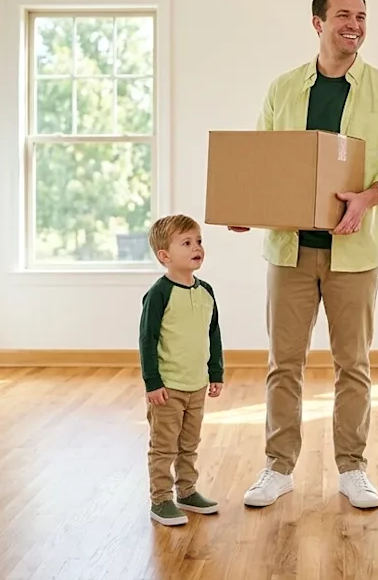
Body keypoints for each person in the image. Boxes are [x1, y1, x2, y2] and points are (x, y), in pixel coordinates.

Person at [231, 0, 378, 510]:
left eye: (360, 16)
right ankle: (278, 466)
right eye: (342, 15)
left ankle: (353, 468)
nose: (353, 25)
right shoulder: (284, 88)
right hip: (289, 250)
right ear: (318, 23)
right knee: (283, 362)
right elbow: (265, 161)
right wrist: (250, 207)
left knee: (352, 363)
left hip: (355, 252)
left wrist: (368, 198)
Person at [138, 214, 225, 526]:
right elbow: (147, 340)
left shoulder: (206, 292)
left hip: (196, 385)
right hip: (167, 389)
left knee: (189, 444)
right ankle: (160, 499)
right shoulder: (159, 294)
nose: (196, 247)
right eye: (186, 243)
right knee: (164, 447)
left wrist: (215, 373)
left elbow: (212, 334)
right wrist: (152, 382)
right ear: (165, 256)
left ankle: (186, 491)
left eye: (199, 241)